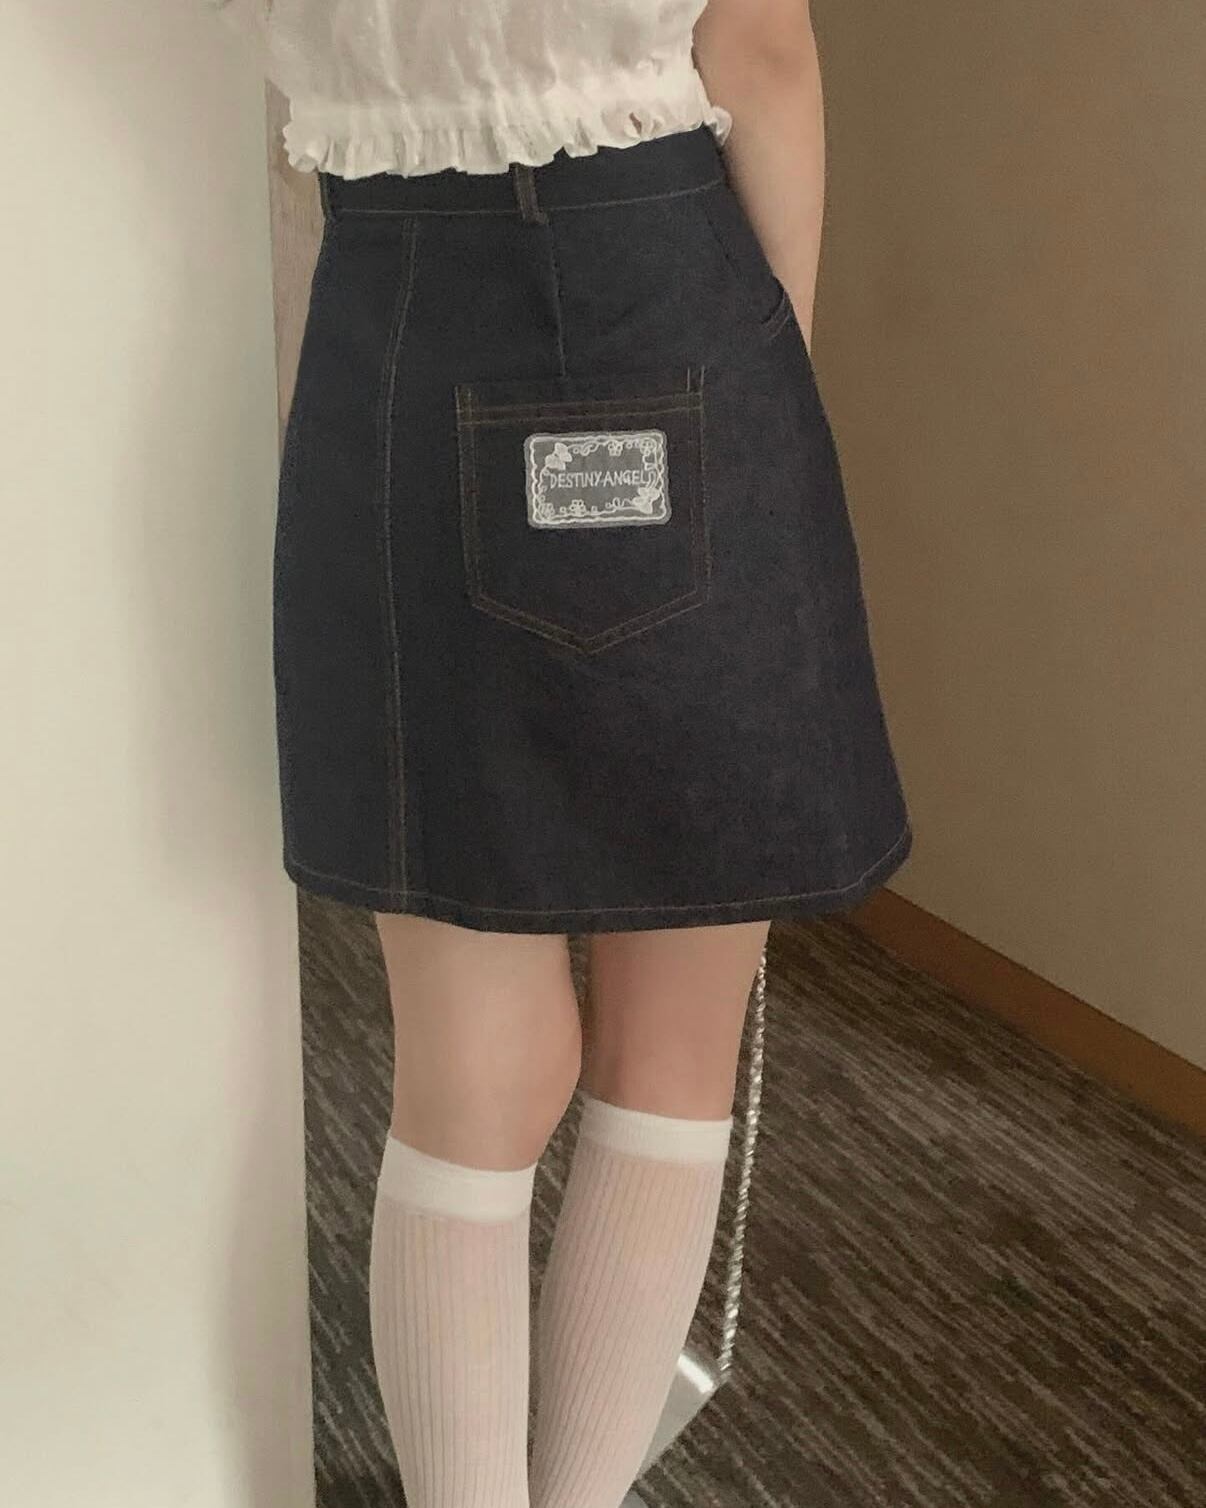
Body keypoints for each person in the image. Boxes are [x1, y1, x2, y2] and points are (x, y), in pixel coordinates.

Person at [213, 2, 913, 1504]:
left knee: (470, 1071)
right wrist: (768, 385)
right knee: (671, 1050)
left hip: (384, 309)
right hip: (658, 278)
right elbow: (760, 48)